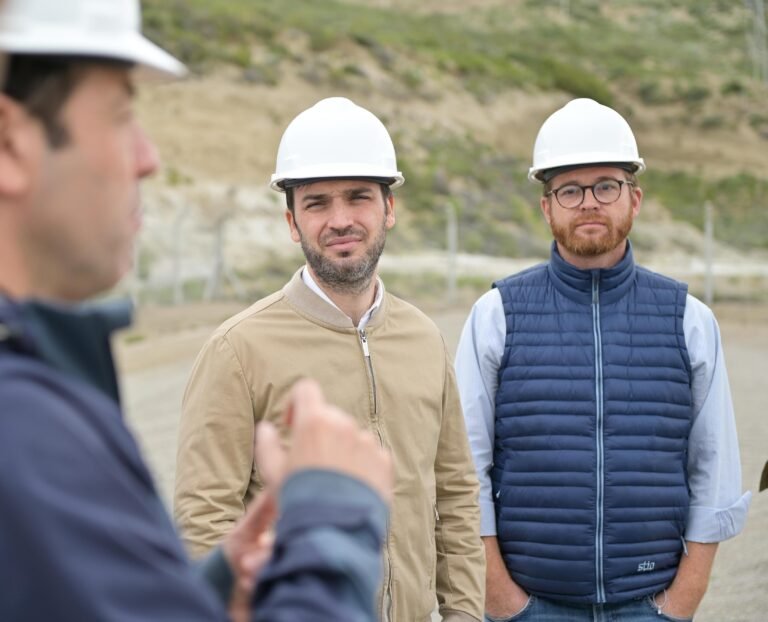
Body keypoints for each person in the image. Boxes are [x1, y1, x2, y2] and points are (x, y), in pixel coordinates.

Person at [0, 0, 394, 620]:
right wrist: (331, 521)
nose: (148, 158)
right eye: (121, 116)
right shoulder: (23, 431)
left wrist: (208, 588)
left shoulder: (37, 398)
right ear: (9, 143)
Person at [175, 96, 485, 622]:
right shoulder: (237, 350)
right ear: (292, 221)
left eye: (358, 198)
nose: (340, 220)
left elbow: (455, 497)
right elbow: (205, 522)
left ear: (389, 207)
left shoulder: (424, 339)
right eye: (317, 202)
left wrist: (465, 616)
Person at [454, 98, 751, 622]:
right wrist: (501, 599)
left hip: (651, 606)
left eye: (606, 186)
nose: (588, 202)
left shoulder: (690, 319)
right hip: (529, 607)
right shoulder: (495, 315)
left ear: (633, 200)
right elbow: (463, 469)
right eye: (569, 189)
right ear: (547, 206)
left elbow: (715, 471)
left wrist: (680, 604)